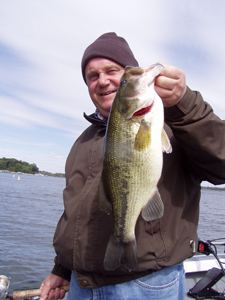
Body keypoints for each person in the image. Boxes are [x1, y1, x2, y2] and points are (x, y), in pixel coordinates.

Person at [40, 32, 225, 300]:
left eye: (114, 71)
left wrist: (184, 102)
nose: (102, 81)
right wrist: (62, 267)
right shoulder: (83, 141)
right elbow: (73, 213)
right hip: (81, 286)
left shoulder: (176, 126)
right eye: (92, 76)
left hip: (146, 285)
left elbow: (221, 165)